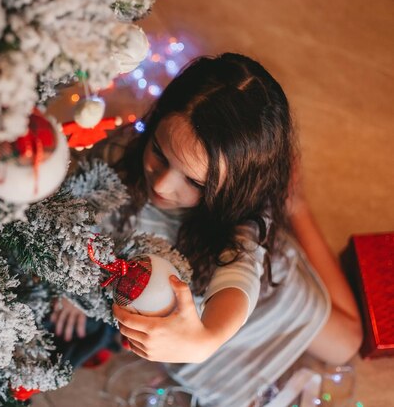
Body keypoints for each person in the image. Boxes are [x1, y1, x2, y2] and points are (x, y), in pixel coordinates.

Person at [50, 53, 363, 406]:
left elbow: (239, 272)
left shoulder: (243, 217)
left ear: (234, 190)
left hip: (253, 305)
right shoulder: (117, 154)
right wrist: (72, 289)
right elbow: (74, 217)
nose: (164, 186)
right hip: (189, 319)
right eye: (159, 152)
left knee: (347, 344)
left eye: (195, 182)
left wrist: (207, 338)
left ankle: (294, 204)